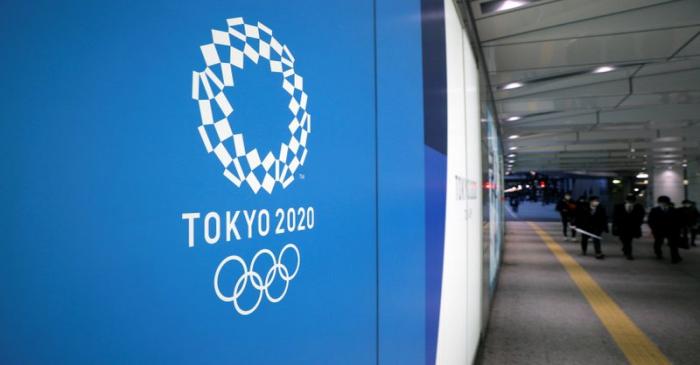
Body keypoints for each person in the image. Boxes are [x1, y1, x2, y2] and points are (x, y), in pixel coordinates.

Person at [648, 196, 683, 263]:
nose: (663, 204)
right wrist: (653, 228)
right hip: (658, 230)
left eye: (665, 202)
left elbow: (678, 221)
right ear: (659, 203)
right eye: (661, 202)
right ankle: (658, 253)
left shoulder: (673, 210)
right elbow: (651, 220)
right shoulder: (654, 210)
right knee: (658, 243)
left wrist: (678, 230)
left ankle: (674, 258)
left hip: (671, 230)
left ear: (668, 203)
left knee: (673, 245)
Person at [612, 194, 645, 260]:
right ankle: (625, 248)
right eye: (629, 200)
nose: (630, 202)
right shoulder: (619, 206)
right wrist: (615, 225)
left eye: (632, 201)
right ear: (626, 200)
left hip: (632, 227)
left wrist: (639, 223)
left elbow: (641, 216)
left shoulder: (638, 207)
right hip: (622, 226)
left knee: (629, 240)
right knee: (623, 239)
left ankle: (629, 254)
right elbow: (615, 216)